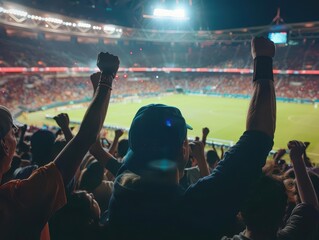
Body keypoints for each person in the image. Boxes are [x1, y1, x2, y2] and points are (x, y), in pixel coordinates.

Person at [106, 36, 276, 240]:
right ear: (183, 149)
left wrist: (105, 79)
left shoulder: (121, 188)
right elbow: (258, 139)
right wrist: (263, 60)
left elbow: (258, 138)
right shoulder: (193, 208)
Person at [0, 52, 119, 239]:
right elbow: (85, 137)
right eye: (13, 133)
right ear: (5, 146)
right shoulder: (19, 198)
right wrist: (106, 78)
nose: (16, 138)